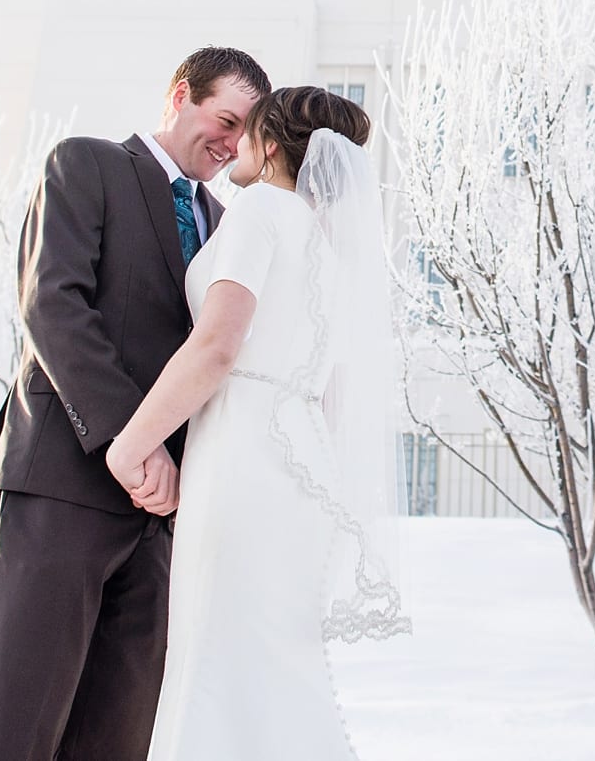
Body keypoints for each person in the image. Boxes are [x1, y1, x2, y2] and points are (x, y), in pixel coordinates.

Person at [0, 46, 272, 761]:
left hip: (162, 518)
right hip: (63, 477)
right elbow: (52, 306)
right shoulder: (86, 164)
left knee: (119, 734)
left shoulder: (232, 225)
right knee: (14, 720)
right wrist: (136, 441)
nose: (228, 143)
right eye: (223, 118)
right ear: (180, 95)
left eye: (244, 132)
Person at [105, 84, 411, 759]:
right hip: (302, 463)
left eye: (248, 132)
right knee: (274, 662)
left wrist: (131, 444)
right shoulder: (332, 248)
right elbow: (332, 389)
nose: (235, 143)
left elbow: (216, 346)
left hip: (244, 453)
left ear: (271, 145)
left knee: (215, 652)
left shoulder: (262, 211)